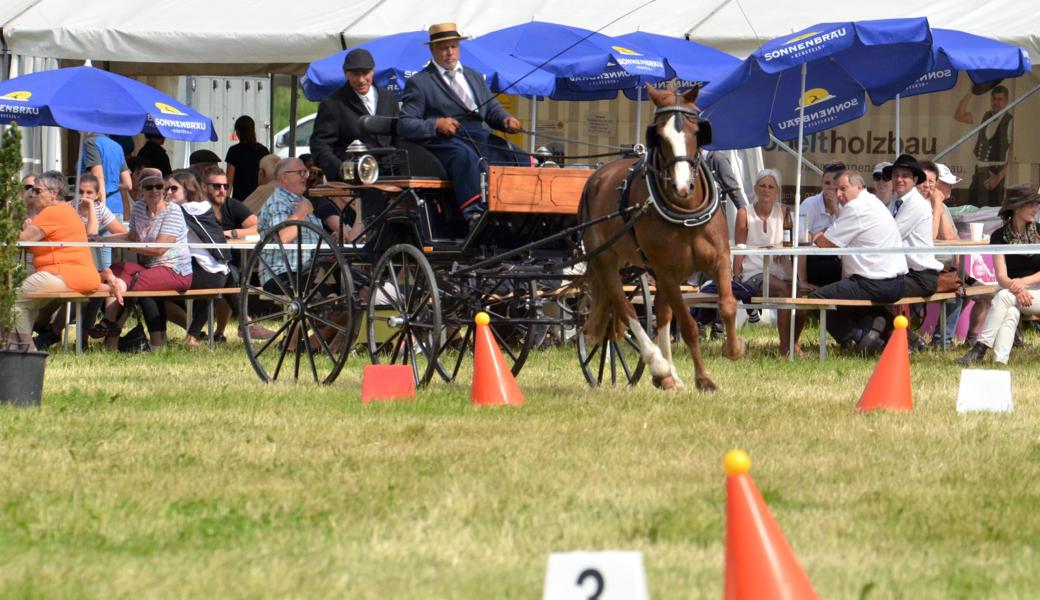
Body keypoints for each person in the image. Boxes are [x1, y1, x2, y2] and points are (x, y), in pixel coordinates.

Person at [398, 22, 524, 228]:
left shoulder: (474, 77)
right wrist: (436, 124)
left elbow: (492, 109)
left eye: (453, 46)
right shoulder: (420, 82)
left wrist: (505, 119)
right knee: (465, 156)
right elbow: (405, 124)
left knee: (519, 158)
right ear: (432, 50)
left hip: (479, 137)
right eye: (443, 48)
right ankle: (474, 213)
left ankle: (522, 210)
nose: (449, 52)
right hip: (445, 140)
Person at [796, 170, 908, 354]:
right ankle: (898, 336)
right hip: (896, 282)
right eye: (836, 189)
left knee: (815, 298)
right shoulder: (873, 202)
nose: (839, 194)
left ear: (859, 187)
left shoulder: (855, 207)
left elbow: (827, 245)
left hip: (874, 282)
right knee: (843, 292)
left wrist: (816, 235)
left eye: (843, 189)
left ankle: (857, 338)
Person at [96, 168, 192, 350]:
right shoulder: (139, 207)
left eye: (158, 186)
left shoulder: (173, 211)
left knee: (133, 283)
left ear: (164, 189)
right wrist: (100, 239)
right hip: (149, 269)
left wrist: (127, 247)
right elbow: (131, 236)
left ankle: (113, 326)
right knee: (116, 270)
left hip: (176, 270)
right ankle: (111, 324)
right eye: (149, 187)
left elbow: (158, 250)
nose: (155, 191)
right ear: (141, 190)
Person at [10, 172, 104, 351]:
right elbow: (36, 245)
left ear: (53, 193)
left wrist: (23, 226)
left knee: (14, 302)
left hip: (64, 275)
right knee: (25, 306)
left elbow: (23, 239)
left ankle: (27, 352)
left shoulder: (52, 212)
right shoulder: (64, 211)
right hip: (71, 276)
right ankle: (15, 347)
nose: (32, 194)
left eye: (37, 191)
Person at [958, 184, 1040, 365]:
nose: (1036, 209)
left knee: (1003, 297)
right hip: (1016, 293)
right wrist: (1017, 288)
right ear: (1017, 207)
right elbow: (1001, 275)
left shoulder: (1039, 232)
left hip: (1033, 291)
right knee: (1009, 309)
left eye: (1037, 204)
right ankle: (999, 362)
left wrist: (1020, 283)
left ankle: (980, 348)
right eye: (1032, 204)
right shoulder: (998, 236)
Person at [732, 169, 802, 355]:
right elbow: (739, 247)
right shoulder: (743, 213)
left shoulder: (785, 211)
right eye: (762, 186)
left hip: (781, 271)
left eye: (771, 187)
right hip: (754, 272)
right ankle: (785, 348)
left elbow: (793, 243)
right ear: (755, 188)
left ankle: (793, 343)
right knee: (784, 290)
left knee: (802, 295)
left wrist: (781, 246)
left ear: (777, 191)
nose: (766, 190)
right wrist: (736, 276)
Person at [163, 170, 235, 347]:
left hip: (208, 272)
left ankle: (169, 337)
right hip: (212, 271)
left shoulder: (189, 209)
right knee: (229, 276)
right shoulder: (197, 208)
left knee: (149, 292)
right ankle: (193, 336)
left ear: (187, 189)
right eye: (167, 189)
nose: (168, 192)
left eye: (173, 188)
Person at [311, 48, 400, 183]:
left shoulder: (389, 99)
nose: (361, 80)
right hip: (354, 180)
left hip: (390, 177)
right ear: (345, 73)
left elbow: (399, 136)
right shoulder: (333, 104)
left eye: (365, 73)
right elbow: (320, 145)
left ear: (373, 71)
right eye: (355, 74)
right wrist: (341, 170)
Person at [929, 162, 992, 348]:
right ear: (934, 185)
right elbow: (941, 240)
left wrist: (958, 267)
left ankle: (971, 340)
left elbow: (954, 238)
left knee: (987, 293)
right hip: (934, 270)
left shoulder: (943, 208)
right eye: (947, 183)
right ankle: (943, 340)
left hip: (952, 269)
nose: (951, 187)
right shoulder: (929, 208)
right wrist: (937, 204)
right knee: (958, 290)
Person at [257, 158, 322, 292]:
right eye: (300, 173)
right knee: (329, 295)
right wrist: (301, 213)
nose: (305, 177)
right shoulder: (278, 203)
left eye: (306, 172)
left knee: (349, 287)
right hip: (282, 275)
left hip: (308, 273)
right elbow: (284, 237)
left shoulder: (303, 201)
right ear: (284, 177)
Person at [884, 154, 943, 299]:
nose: (899, 179)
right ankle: (881, 320)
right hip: (905, 273)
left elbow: (890, 236)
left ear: (915, 180)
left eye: (904, 176)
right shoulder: (894, 201)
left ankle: (884, 320)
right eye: (895, 175)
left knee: (872, 286)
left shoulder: (916, 204)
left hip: (920, 277)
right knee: (865, 283)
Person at [955, 85, 1012, 207]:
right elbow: (959, 115)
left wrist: (998, 177)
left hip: (995, 173)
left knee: (991, 213)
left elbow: (1014, 153)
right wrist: (971, 90)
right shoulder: (983, 115)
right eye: (994, 99)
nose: (996, 102)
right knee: (972, 208)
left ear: (1007, 101)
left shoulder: (1010, 121)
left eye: (1000, 99)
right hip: (979, 172)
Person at [800, 161, 845, 288]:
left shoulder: (847, 205)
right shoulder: (809, 204)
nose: (830, 188)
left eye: (834, 184)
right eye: (827, 183)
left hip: (843, 261)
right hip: (816, 261)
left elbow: (848, 234)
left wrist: (835, 207)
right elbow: (801, 244)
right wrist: (803, 281)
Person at [225, 116, 270, 201]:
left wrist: (224, 203)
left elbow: (229, 181)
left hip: (240, 201)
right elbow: (267, 177)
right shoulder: (263, 150)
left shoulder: (233, 151)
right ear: (253, 130)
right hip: (259, 200)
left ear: (238, 132)